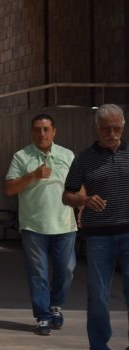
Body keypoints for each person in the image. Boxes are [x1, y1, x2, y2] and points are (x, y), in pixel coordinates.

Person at [62, 103, 129, 350]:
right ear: (96, 129)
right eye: (106, 129)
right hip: (99, 236)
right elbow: (67, 195)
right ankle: (99, 346)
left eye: (116, 128)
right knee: (98, 295)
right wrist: (84, 200)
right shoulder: (83, 159)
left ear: (123, 126)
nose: (111, 134)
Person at [3, 114, 77, 336]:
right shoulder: (21, 156)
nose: (41, 133)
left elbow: (77, 187)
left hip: (64, 224)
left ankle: (56, 305)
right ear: (31, 132)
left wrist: (83, 206)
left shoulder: (67, 155)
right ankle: (43, 316)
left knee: (66, 269)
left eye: (46, 129)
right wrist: (33, 175)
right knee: (38, 273)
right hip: (34, 226)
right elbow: (9, 189)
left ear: (54, 131)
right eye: (37, 129)